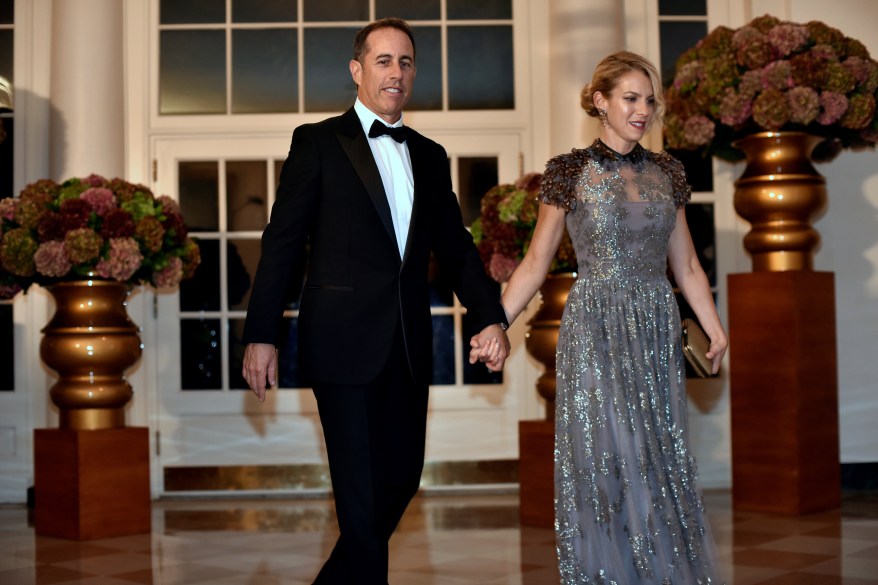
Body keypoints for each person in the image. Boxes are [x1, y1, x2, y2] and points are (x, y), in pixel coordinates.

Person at [240, 18, 510, 585]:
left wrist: (490, 316)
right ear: (357, 70)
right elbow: (282, 245)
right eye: (384, 60)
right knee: (361, 505)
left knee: (403, 479)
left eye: (406, 61)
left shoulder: (430, 156)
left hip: (408, 347)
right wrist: (261, 333)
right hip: (341, 343)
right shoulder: (317, 142)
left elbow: (457, 248)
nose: (396, 72)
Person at [472, 51, 728, 583]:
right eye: (630, 98)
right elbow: (536, 263)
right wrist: (495, 322)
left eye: (649, 100)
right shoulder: (569, 171)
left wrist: (715, 326)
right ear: (600, 101)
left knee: (658, 453)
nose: (642, 110)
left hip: (656, 324)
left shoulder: (669, 172)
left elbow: (686, 266)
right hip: (596, 328)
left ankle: (657, 571)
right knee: (607, 454)